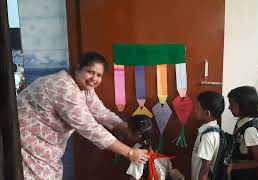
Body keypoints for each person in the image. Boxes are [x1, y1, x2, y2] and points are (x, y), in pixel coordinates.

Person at [17, 52, 149, 179]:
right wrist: (130, 153)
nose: (94, 78)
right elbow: (91, 128)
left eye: (99, 75)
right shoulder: (63, 87)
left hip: (47, 149)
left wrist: (127, 129)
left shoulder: (85, 89)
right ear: (78, 68)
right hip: (26, 141)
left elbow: (101, 112)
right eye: (90, 72)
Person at [126, 115, 184, 180]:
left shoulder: (136, 153)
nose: (127, 132)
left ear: (137, 134)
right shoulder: (155, 146)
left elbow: (134, 177)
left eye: (128, 130)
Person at [227, 86, 258, 179]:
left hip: (245, 175)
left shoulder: (249, 130)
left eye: (232, 104)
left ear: (244, 105)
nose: (229, 107)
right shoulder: (242, 121)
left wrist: (233, 166)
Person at [191, 91, 225, 180]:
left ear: (207, 113)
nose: (194, 110)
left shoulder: (208, 136)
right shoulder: (214, 129)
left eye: (197, 108)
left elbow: (205, 169)